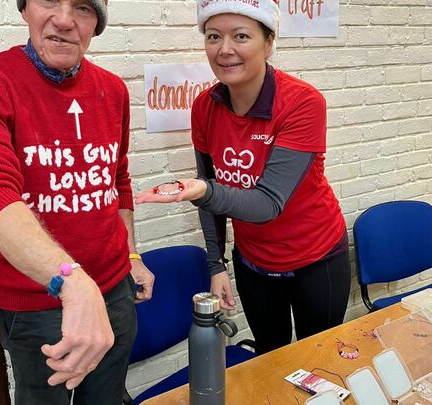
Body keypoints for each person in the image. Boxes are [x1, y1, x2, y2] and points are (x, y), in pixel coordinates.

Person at [0, 0, 154, 404]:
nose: (63, 20)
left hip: (115, 291)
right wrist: (70, 280)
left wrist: (131, 256)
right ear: (24, 9)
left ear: (97, 22)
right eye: (48, 0)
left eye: (82, 7)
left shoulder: (112, 89)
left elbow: (116, 179)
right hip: (36, 303)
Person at [135, 0, 350, 354]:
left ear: (268, 43)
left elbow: (268, 203)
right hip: (254, 262)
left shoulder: (302, 103)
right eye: (213, 36)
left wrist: (203, 190)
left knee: (319, 358)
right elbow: (209, 197)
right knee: (269, 356)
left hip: (317, 257)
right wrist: (216, 264)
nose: (225, 49)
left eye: (241, 36)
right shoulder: (205, 106)